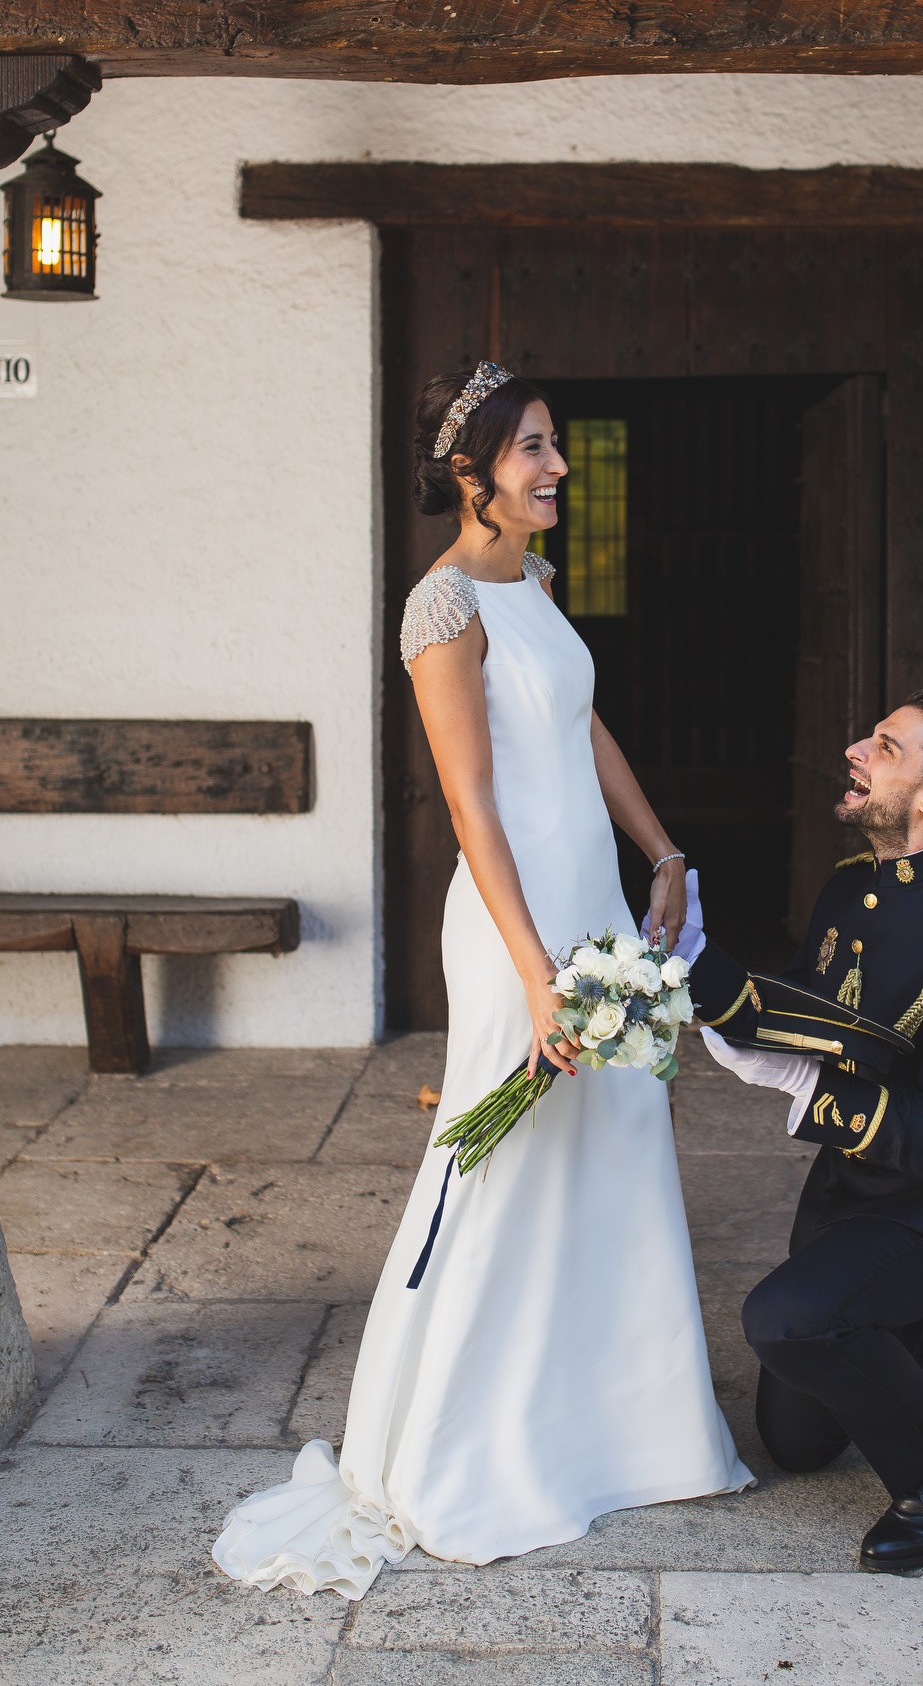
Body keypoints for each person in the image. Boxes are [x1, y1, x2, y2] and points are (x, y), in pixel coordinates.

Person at [212, 361, 751, 1597]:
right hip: (517, 923)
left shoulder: (536, 582)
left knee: (614, 1140)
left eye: (555, 445)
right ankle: (463, 1448)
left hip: (592, 901)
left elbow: (582, 728)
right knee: (504, 1153)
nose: (556, 467)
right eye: (533, 452)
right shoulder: (441, 608)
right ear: (472, 475)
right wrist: (538, 974)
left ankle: (629, 1433)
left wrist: (662, 849)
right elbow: (470, 804)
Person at [683, 691, 923, 1574]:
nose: (854, 749)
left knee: (785, 1322)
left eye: (883, 746)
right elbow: (820, 1015)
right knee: (795, 1444)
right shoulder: (852, 886)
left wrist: (799, 1079)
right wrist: (702, 986)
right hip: (853, 1185)